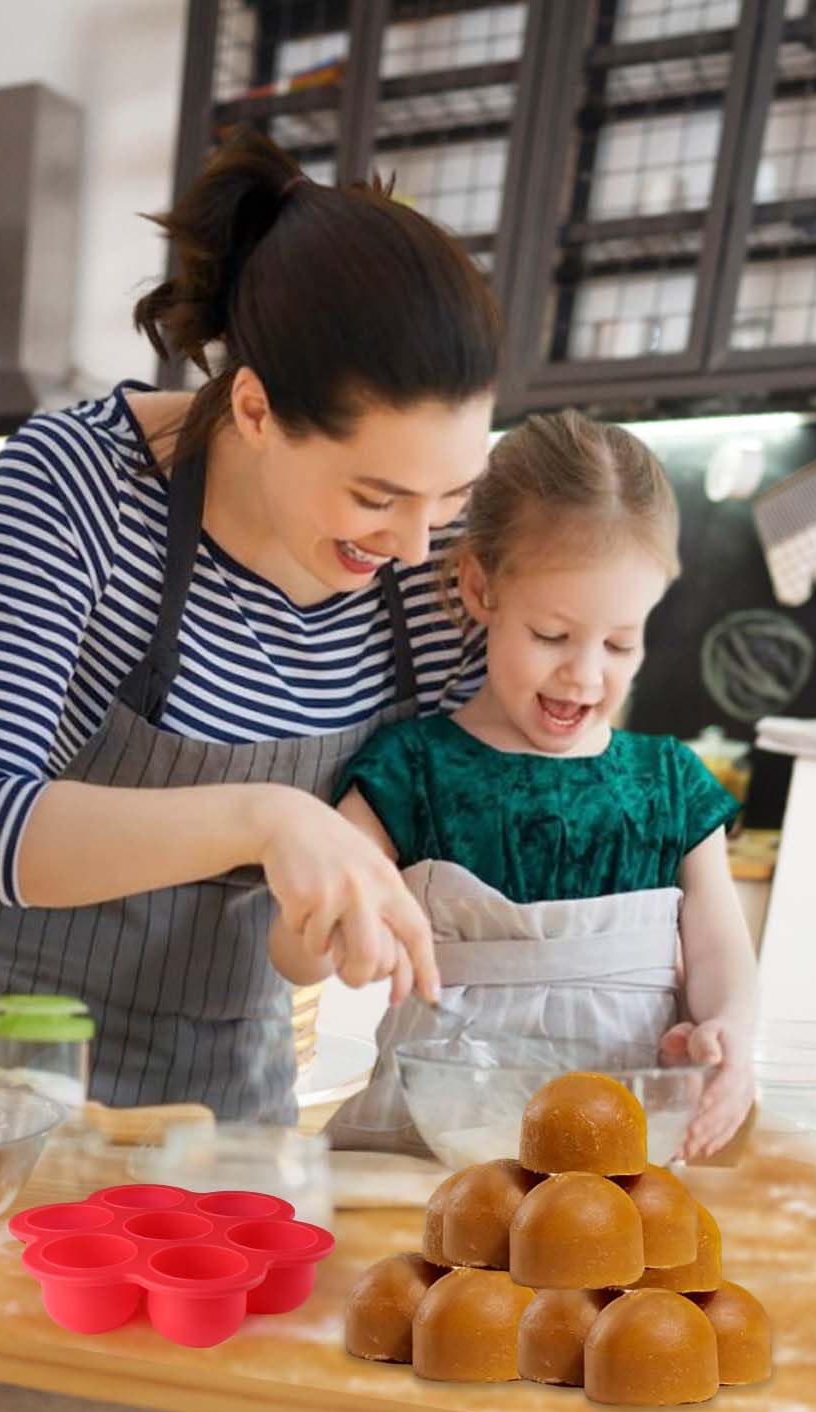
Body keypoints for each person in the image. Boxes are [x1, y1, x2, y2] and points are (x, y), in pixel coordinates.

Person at [0, 126, 503, 1123]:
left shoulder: (425, 576)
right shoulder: (82, 478)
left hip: (219, 1108)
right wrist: (267, 816)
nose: (418, 544)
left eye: (450, 494)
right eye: (377, 494)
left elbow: (475, 808)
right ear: (253, 408)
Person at [271, 411, 758, 1160]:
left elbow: (720, 945)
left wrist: (730, 1029)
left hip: (617, 1157)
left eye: (621, 642)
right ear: (480, 588)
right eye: (552, 636)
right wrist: (322, 932)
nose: (586, 673)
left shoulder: (669, 783)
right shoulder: (411, 771)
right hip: (427, 1153)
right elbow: (295, 954)